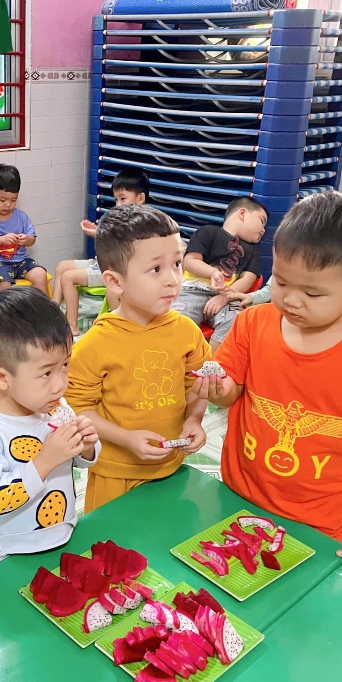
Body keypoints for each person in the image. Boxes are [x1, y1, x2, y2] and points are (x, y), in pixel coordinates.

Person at [200, 192, 342, 588]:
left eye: (312, 293)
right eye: (281, 282)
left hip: (320, 515)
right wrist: (217, 390)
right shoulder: (252, 323)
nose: (291, 300)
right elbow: (232, 390)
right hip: (239, 493)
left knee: (297, 597)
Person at [65, 204, 212, 513]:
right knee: (111, 541)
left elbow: (197, 386)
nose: (173, 279)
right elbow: (78, 409)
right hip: (116, 474)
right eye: (156, 269)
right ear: (115, 281)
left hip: (171, 467)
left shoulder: (187, 331)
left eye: (176, 264)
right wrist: (126, 438)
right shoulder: (95, 344)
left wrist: (194, 419)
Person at [0, 287, 100, 570]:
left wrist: (86, 447)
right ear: (2, 377)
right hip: (8, 554)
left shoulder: (55, 407)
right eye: (46, 373)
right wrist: (45, 459)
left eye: (65, 365)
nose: (60, 384)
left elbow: (76, 460)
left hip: (63, 538)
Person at [52, 168, 149, 336]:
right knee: (62, 266)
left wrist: (97, 234)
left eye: (123, 199)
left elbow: (125, 244)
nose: (118, 204)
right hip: (101, 262)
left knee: (68, 277)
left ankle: (72, 325)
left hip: (112, 268)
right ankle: (54, 311)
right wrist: (97, 230)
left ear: (140, 198)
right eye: (116, 199)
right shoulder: (123, 218)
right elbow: (110, 238)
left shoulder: (141, 223)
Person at [171, 197, 268, 350]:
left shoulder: (253, 250)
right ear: (242, 213)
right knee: (177, 322)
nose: (263, 230)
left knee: (236, 321)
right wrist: (212, 272)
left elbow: (248, 278)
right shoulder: (208, 231)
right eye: (262, 221)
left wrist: (225, 297)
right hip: (191, 291)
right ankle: (178, 358)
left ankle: (211, 360)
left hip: (225, 299)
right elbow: (190, 261)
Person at [0, 164, 48, 293]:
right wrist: (1, 240)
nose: (8, 204)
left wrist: (26, 239)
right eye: (2, 200)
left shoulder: (21, 216)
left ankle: (41, 305)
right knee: (3, 283)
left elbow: (32, 239)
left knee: (40, 274)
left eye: (13, 200)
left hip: (21, 261)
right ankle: (5, 307)